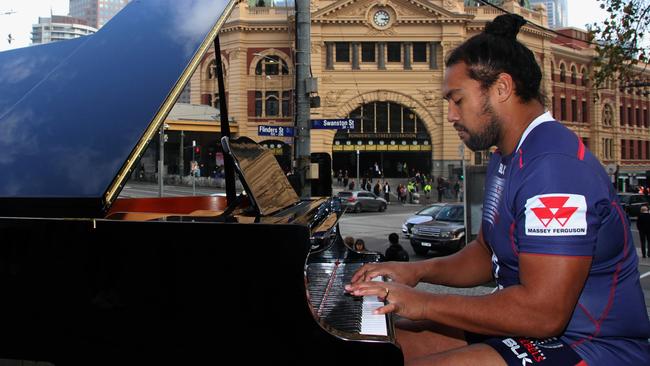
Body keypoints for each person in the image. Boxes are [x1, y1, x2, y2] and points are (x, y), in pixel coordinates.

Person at [345, 14, 650, 366]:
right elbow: (486, 254)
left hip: (589, 346)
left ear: (501, 88)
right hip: (531, 330)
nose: (450, 115)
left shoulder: (554, 168)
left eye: (457, 100)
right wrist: (415, 273)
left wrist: (423, 301)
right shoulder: (507, 157)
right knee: (377, 344)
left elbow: (542, 313)